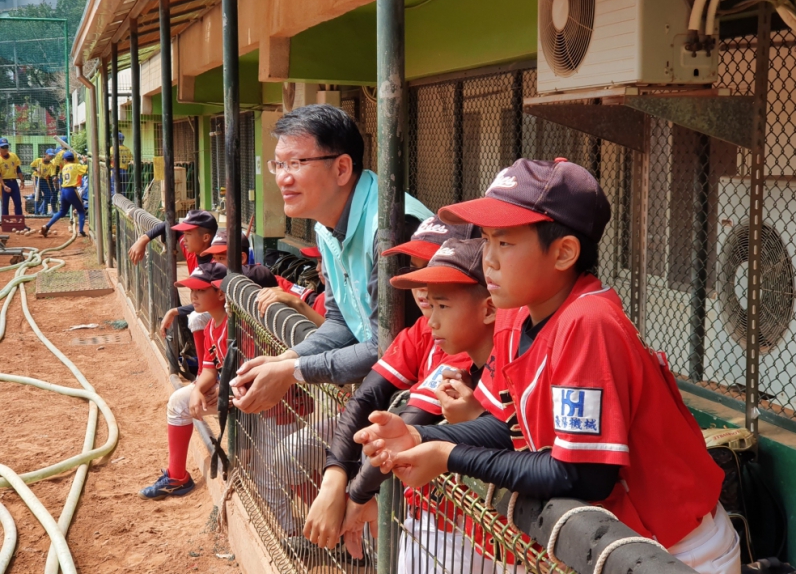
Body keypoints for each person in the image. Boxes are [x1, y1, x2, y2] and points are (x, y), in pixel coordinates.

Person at [356, 159, 740, 574]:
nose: (489, 259)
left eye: (505, 242)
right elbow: (507, 424)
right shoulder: (516, 316)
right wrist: (420, 434)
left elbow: (583, 475)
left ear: (564, 252)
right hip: (608, 541)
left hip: (676, 551)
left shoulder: (588, 321)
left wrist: (449, 455)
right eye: (486, 240)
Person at [306, 237, 496, 574]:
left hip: (466, 526)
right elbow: (366, 399)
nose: (423, 290)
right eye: (419, 274)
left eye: (436, 282)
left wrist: (356, 497)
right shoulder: (429, 328)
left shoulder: (474, 341)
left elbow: (407, 430)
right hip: (432, 512)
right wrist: (337, 480)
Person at [231, 104, 432, 414]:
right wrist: (285, 360)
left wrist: (293, 372)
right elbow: (342, 321)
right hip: (393, 389)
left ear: (341, 168)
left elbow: (388, 346)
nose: (283, 178)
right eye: (279, 164)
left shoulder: (392, 228)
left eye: (296, 163)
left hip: (436, 394)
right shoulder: (327, 223)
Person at [140, 262, 229, 499]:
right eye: (191, 290)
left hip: (250, 395)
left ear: (220, 293)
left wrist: (222, 388)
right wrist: (200, 389)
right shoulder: (211, 325)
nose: (193, 296)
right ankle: (177, 477)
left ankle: (178, 477)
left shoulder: (235, 325)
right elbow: (209, 369)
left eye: (200, 290)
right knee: (179, 401)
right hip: (231, 390)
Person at [131, 209, 218, 371]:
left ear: (206, 238)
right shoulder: (194, 249)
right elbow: (169, 225)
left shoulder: (216, 264)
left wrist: (174, 311)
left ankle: (202, 373)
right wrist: (143, 239)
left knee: (196, 318)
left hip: (223, 313)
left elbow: (211, 303)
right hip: (210, 311)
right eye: (183, 234)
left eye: (188, 235)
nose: (183, 239)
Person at [258, 245, 327, 327]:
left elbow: (320, 334)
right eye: (318, 262)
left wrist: (294, 301)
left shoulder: (325, 299)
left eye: (321, 261)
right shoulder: (328, 296)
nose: (317, 269)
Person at [201, 228, 279, 289]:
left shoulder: (258, 277)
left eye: (221, 258)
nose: (214, 264)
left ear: (241, 258)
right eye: (214, 258)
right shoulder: (216, 278)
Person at [40, 152, 87, 237]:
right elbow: (86, 168)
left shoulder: (64, 167)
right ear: (73, 159)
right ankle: (81, 231)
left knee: (62, 212)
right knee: (81, 211)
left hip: (64, 191)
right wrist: (85, 161)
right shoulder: (76, 166)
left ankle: (47, 226)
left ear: (65, 160)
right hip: (72, 190)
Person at [0, 137, 25, 219]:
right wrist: (4, 185)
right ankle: (6, 221)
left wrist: (22, 180)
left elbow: (18, 169)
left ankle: (19, 221)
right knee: (5, 204)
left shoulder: (13, 156)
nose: (5, 149)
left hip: (14, 182)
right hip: (4, 183)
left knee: (18, 202)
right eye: (3, 147)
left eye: (6, 147)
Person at [31, 149, 59, 215]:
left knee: (48, 195)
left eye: (52, 156)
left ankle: (44, 212)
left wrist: (54, 178)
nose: (50, 157)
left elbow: (52, 174)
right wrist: (36, 169)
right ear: (45, 154)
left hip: (44, 179)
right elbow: (32, 166)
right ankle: (36, 212)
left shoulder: (51, 165)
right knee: (38, 195)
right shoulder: (38, 160)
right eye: (49, 156)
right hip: (37, 178)